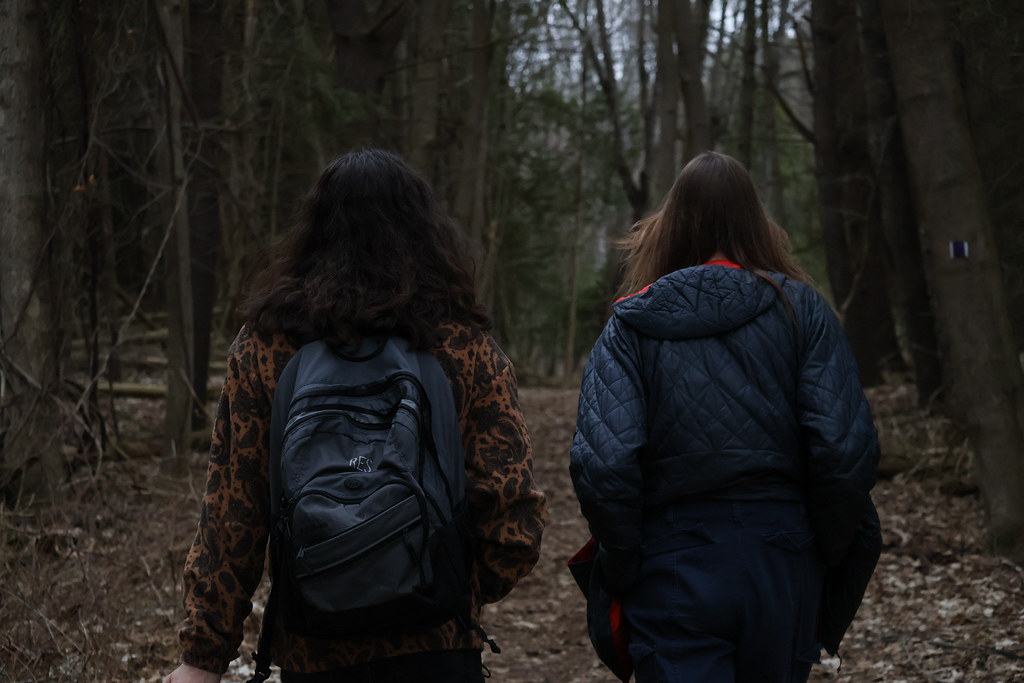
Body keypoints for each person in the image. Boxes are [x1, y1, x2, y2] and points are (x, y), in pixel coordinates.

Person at [163, 149, 547, 683]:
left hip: (314, 648)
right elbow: (514, 514)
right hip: (436, 649)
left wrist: (202, 655)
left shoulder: (266, 347)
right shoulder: (462, 345)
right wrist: (447, 589)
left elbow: (233, 514)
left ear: (316, 231)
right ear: (424, 231)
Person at [570, 151, 880, 682]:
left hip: (672, 566)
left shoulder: (631, 324)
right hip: (783, 559)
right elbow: (843, 449)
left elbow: (605, 464)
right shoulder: (801, 309)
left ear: (672, 226)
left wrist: (625, 564)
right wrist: (819, 552)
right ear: (755, 222)